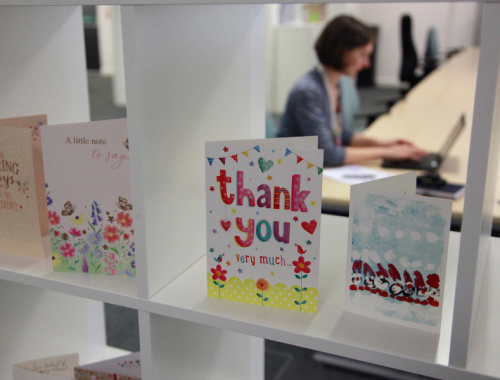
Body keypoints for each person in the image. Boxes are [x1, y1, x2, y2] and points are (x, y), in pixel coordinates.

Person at [276, 15, 428, 167]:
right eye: (362, 55)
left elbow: (338, 133)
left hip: (309, 168)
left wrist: (382, 143)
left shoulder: (334, 83)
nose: (367, 64)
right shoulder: (308, 91)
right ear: (341, 52)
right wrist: (384, 152)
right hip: (289, 171)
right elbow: (327, 154)